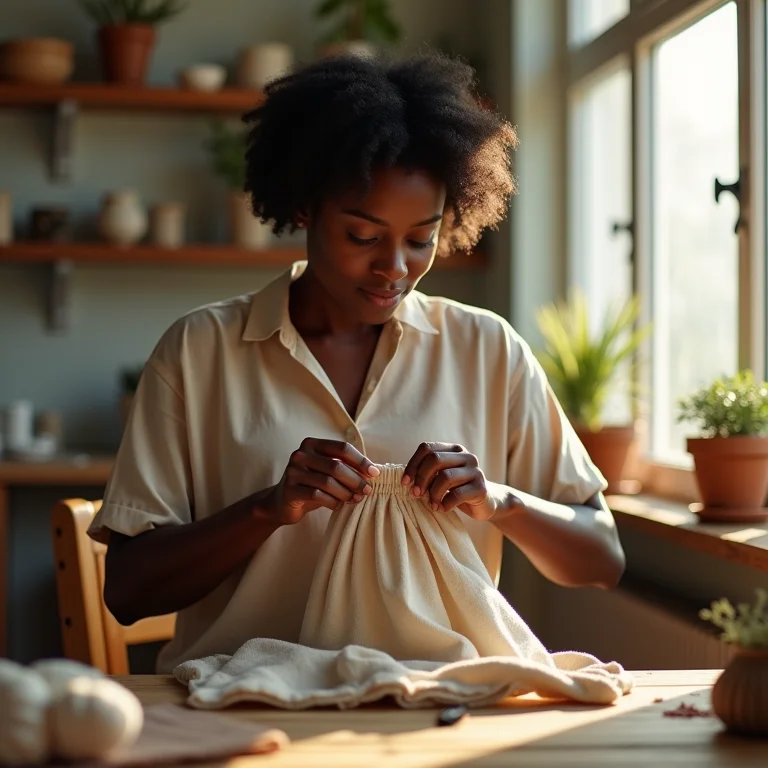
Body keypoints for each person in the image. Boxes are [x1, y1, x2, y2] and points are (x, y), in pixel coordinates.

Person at [88, 51, 625, 675]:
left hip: (440, 703)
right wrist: (267, 510)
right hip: (242, 700)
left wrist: (498, 501)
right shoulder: (198, 351)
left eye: (420, 239)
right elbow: (128, 592)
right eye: (363, 237)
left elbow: (601, 559)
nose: (394, 268)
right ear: (304, 208)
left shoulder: (488, 349)